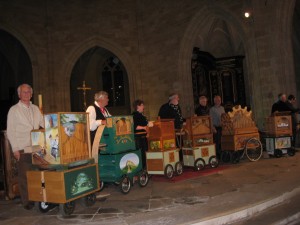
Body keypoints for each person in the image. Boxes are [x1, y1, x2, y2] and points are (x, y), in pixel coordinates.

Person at [7, 84, 44, 210]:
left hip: (36, 147)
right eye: (24, 92)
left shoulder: (35, 109)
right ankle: (26, 201)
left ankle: (38, 196)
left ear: (31, 94)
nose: (26, 94)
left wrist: (55, 124)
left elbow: (43, 123)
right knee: (24, 176)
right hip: (22, 147)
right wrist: (15, 149)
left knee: (37, 174)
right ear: (19, 94)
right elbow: (11, 131)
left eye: (28, 92)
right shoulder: (14, 110)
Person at [132, 99, 153, 168]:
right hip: (139, 138)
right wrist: (144, 127)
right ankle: (142, 168)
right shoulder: (134, 115)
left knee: (145, 153)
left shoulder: (141, 115)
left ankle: (146, 167)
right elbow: (134, 126)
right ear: (138, 106)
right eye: (142, 105)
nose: (143, 107)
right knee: (141, 154)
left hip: (144, 137)